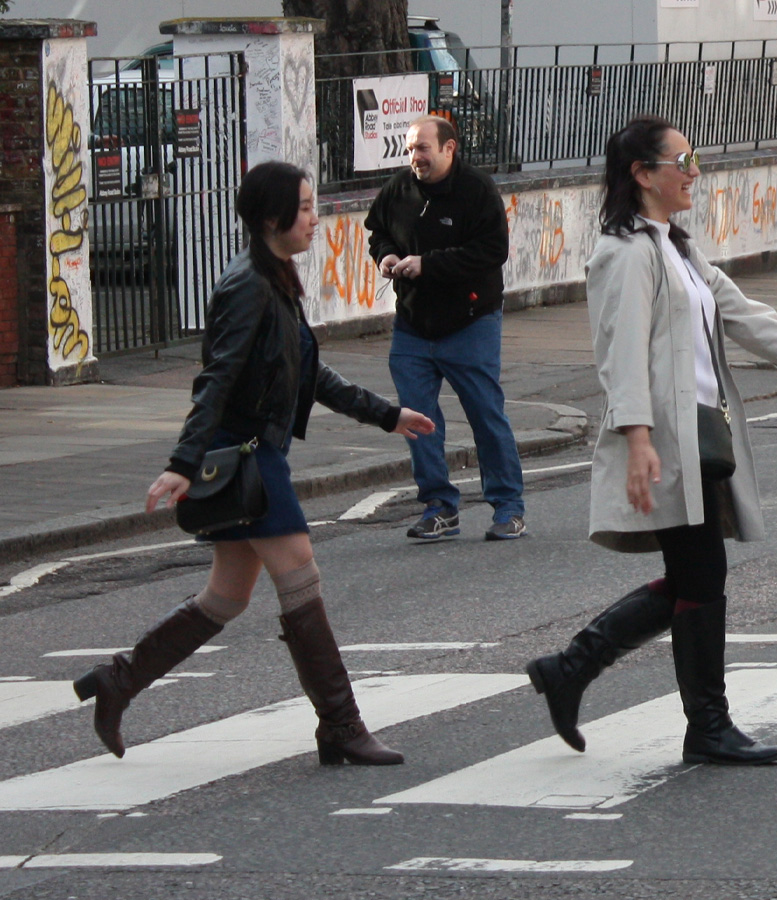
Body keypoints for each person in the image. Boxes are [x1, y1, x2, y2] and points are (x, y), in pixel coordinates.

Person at [525, 116, 777, 765]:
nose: (694, 170)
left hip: (696, 433)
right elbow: (620, 358)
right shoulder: (624, 253)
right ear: (645, 175)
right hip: (667, 438)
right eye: (683, 160)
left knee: (694, 576)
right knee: (700, 574)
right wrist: (637, 439)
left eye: (693, 158)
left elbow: (744, 315)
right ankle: (699, 721)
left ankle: (575, 669)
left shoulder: (674, 245)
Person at [83, 162, 435, 766]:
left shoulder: (275, 277)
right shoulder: (248, 285)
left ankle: (118, 682)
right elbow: (215, 379)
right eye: (303, 207)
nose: (313, 217)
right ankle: (341, 725)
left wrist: (386, 415)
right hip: (245, 452)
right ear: (272, 219)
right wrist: (181, 463)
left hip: (255, 450)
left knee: (226, 596)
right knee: (300, 577)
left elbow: (309, 373)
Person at [366, 115, 526, 542]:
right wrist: (385, 255)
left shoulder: (476, 190)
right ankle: (439, 506)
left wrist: (428, 265)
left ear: (449, 148)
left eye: (422, 148)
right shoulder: (398, 190)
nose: (414, 157)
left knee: (485, 414)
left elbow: (493, 250)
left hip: (470, 322)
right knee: (416, 418)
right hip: (414, 325)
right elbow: (376, 230)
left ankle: (508, 507)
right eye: (410, 148)